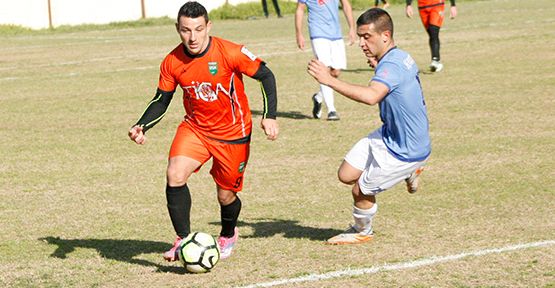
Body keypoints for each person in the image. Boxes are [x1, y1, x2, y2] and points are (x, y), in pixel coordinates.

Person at [128, 1, 279, 260]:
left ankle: (228, 233)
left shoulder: (230, 52)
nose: (193, 37)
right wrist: (143, 124)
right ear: (178, 29)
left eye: (198, 29)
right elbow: (161, 99)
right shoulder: (172, 61)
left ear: (208, 26)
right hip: (195, 129)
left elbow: (266, 75)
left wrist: (270, 116)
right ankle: (183, 240)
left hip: (233, 133)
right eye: (186, 30)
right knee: (175, 174)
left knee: (225, 195)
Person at [307, 8, 431, 244]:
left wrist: (329, 80)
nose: (362, 43)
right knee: (346, 174)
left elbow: (371, 96)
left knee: (360, 190)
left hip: (406, 151)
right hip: (389, 135)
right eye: (360, 37)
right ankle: (412, 173)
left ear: (385, 35)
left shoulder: (391, 66)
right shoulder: (398, 56)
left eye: (367, 37)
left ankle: (362, 231)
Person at [295, 0, 356, 121]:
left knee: (335, 72)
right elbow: (300, 9)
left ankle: (318, 97)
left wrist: (352, 27)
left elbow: (346, 4)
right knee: (324, 70)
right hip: (318, 33)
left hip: (336, 33)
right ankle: (331, 110)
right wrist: (299, 34)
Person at [405, 0, 457, 72]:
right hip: (422, 6)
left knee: (433, 32)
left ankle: (435, 60)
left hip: (437, 5)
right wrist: (408, 5)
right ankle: (436, 61)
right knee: (431, 34)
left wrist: (453, 5)